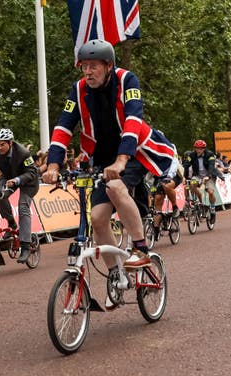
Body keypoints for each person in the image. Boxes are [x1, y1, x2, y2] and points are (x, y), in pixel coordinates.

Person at [41, 39, 176, 278]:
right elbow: (63, 127)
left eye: (94, 66)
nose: (88, 72)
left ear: (109, 66)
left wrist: (122, 160)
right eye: (84, 66)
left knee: (115, 186)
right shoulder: (79, 89)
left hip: (133, 149)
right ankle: (116, 274)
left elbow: (134, 120)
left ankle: (140, 248)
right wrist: (53, 165)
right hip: (103, 155)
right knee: (98, 218)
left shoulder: (127, 80)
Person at [0, 128, 40, 263]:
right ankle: (12, 225)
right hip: (9, 178)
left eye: (2, 144)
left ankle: (25, 246)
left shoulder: (23, 152)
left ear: (10, 143)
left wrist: (17, 180)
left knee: (23, 207)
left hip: (28, 182)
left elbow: (32, 173)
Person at [182, 140, 223, 220]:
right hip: (197, 176)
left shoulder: (210, 154)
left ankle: (212, 209)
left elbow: (211, 166)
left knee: (210, 191)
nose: (199, 150)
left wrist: (208, 176)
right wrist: (183, 177)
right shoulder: (192, 155)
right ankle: (196, 202)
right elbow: (186, 165)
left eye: (201, 148)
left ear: (204, 148)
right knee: (191, 184)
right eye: (197, 148)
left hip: (209, 175)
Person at [152, 149, 183, 236]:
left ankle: (174, 206)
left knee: (167, 186)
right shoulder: (149, 146)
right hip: (159, 176)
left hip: (173, 175)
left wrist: (169, 176)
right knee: (157, 198)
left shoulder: (170, 146)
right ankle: (156, 226)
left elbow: (174, 162)